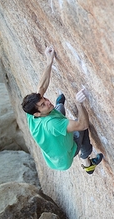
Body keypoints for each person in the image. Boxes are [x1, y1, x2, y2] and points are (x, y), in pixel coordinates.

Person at [21, 45, 103, 174]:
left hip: (53, 156)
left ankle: (60, 106)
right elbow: (82, 124)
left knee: (58, 107)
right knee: (81, 129)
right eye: (43, 105)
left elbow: (41, 87)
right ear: (37, 113)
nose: (48, 102)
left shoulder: (32, 113)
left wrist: (49, 61)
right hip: (65, 158)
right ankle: (87, 162)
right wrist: (78, 104)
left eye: (45, 100)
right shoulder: (52, 124)